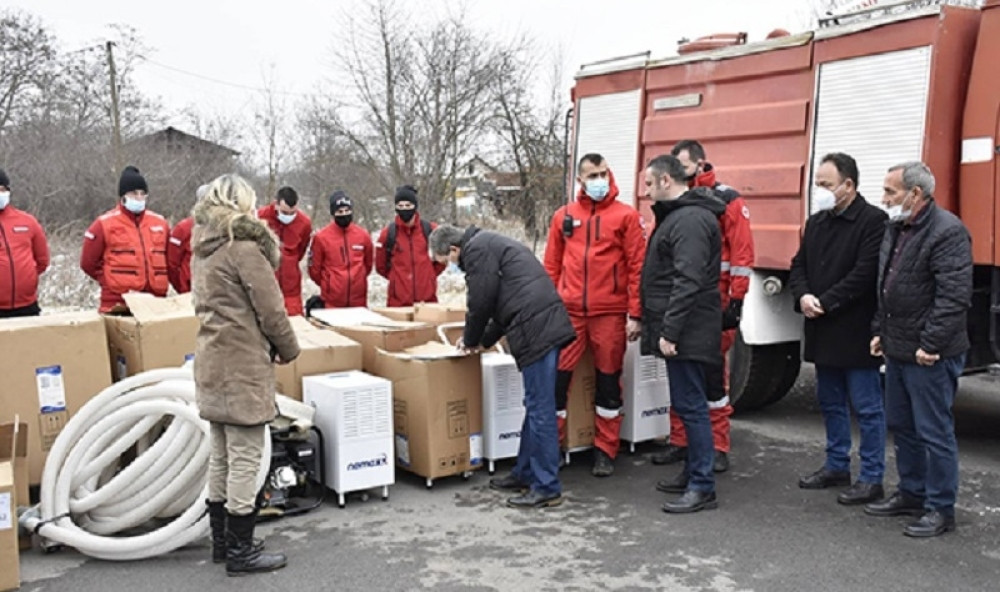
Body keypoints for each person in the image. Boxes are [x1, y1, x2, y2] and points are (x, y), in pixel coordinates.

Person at [191, 174, 300, 575]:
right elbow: (271, 310)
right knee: (245, 459)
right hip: (241, 367)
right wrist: (289, 349)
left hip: (211, 362)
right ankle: (241, 552)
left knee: (220, 456)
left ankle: (223, 544)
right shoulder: (243, 247)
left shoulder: (203, 248)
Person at [429, 224, 577, 509]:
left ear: (454, 250)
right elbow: (499, 310)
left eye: (445, 262)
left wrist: (469, 339)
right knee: (534, 405)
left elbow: (480, 304)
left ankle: (546, 486)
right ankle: (525, 473)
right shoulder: (486, 245)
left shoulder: (477, 251)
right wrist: (479, 342)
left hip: (537, 329)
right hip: (538, 324)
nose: (449, 269)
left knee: (541, 409)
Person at [865, 161, 972, 538]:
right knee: (903, 426)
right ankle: (911, 493)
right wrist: (881, 330)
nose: (884, 198)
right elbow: (887, 285)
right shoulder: (898, 228)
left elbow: (953, 296)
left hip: (929, 353)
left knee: (934, 431)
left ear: (915, 193)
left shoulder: (948, 232)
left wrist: (931, 344)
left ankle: (941, 508)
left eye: (891, 191)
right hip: (898, 348)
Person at [788, 152, 887, 505]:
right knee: (830, 403)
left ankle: (872, 477)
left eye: (825, 184)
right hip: (821, 327)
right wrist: (802, 297)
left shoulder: (874, 221)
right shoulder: (817, 222)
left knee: (867, 407)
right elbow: (798, 265)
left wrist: (825, 301)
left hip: (854, 329)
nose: (819, 190)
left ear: (848, 185)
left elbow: (864, 274)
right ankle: (836, 464)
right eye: (817, 184)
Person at [652, 140, 754, 473]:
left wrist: (737, 300)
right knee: (683, 380)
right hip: (688, 305)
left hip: (714, 302)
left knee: (713, 379)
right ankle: (682, 442)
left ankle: (718, 444)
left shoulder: (726, 200)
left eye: (683, 164)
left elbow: (741, 254)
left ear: (700, 163)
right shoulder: (678, 205)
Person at [543, 153, 645, 477]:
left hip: (610, 313)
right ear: (580, 181)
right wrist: (547, 308)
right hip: (569, 312)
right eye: (592, 175)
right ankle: (553, 448)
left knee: (608, 384)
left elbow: (637, 268)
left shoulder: (626, 217)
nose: (599, 180)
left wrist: (635, 313)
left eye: (603, 173)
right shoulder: (564, 216)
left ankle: (605, 450)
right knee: (556, 381)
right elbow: (551, 266)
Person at [640, 154, 725, 513]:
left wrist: (670, 331)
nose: (644, 191)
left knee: (692, 407)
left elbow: (687, 280)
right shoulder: (679, 217)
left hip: (687, 331)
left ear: (665, 182)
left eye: (648, 183)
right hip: (682, 329)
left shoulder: (689, 220)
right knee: (686, 404)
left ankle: (702, 485)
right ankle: (692, 471)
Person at [80, 166, 170, 313]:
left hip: (155, 301)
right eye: (134, 193)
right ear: (123, 196)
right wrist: (109, 281)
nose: (139, 198)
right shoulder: (104, 223)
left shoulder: (160, 223)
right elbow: (88, 262)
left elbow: (170, 260)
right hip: (118, 301)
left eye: (143, 194)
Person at [375, 184, 444, 306]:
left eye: (408, 205)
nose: (404, 209)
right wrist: (396, 279)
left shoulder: (430, 230)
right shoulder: (388, 234)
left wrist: (429, 276)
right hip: (398, 302)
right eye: (400, 206)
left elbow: (442, 260)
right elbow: (381, 266)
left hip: (427, 301)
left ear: (415, 206)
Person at [307, 190, 373, 308]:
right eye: (340, 211)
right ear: (333, 213)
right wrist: (329, 284)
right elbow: (314, 270)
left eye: (347, 211)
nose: (344, 214)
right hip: (332, 301)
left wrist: (358, 278)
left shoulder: (363, 236)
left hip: (358, 300)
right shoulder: (321, 238)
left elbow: (368, 265)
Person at [0, 168, 49, 318]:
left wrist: (28, 276)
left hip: (27, 306)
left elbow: (42, 260)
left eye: (2, 189)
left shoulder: (27, 221)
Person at [258, 186, 312, 316]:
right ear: (276, 204)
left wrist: (289, 263)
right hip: (266, 282)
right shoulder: (260, 218)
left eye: (292, 213)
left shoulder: (304, 223)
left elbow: (301, 250)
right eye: (284, 212)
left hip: (291, 285)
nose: (288, 216)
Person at [166, 184, 210, 294]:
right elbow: (172, 264)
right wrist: (182, 287)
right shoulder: (183, 229)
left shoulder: (224, 228)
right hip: (190, 292)